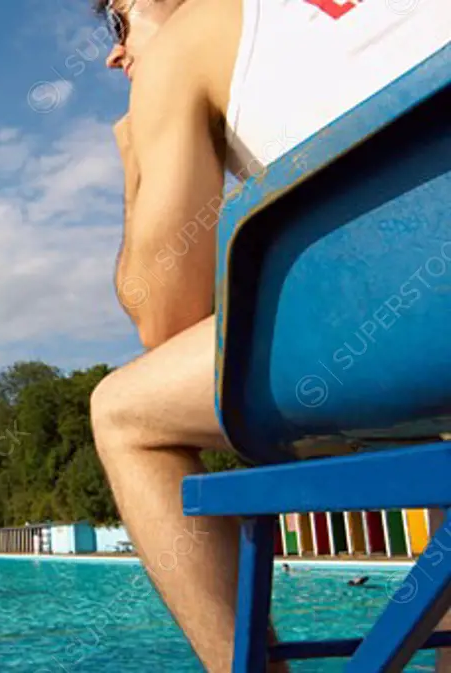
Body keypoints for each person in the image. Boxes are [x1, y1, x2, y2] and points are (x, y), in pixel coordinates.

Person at [87, 0, 451, 671]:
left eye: (116, 18)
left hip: (420, 334)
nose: (113, 52)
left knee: (121, 414)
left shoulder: (197, 33)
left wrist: (139, 154)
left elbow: (162, 321)